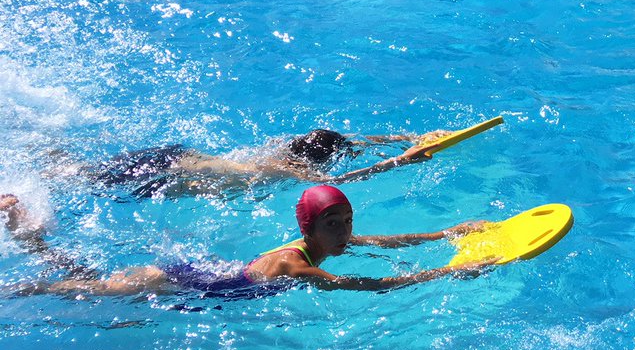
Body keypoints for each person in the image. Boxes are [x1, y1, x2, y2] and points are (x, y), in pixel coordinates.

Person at [4, 186, 492, 297]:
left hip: (204, 275)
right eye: (333, 224)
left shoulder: (324, 242)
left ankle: (27, 234)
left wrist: (447, 233)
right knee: (80, 289)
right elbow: (371, 286)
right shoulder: (296, 264)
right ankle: (20, 274)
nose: (345, 232)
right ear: (309, 229)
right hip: (176, 284)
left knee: (85, 280)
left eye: (347, 221)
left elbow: (390, 242)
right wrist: (449, 272)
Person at [68, 126, 461, 199]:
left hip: (175, 155)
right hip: (167, 175)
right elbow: (344, 180)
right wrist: (400, 161)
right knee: (82, 181)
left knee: (84, 172)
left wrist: (411, 137)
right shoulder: (289, 170)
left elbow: (350, 141)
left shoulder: (282, 150)